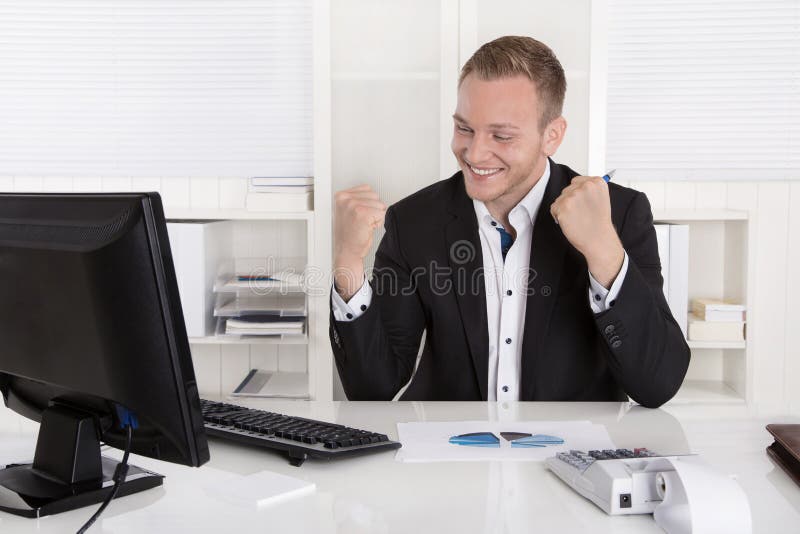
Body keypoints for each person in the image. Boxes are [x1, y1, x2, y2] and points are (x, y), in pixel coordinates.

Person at [329, 36, 689, 407]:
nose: (474, 152)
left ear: (552, 135)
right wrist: (348, 263)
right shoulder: (414, 221)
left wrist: (603, 250)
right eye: (464, 128)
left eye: (501, 135)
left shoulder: (621, 214)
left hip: (568, 455)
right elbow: (373, 390)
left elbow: (657, 385)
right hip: (449, 457)